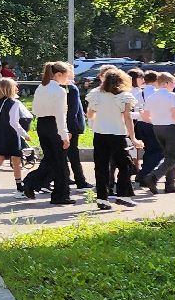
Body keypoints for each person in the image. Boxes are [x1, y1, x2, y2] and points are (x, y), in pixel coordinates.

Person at [18, 62, 75, 205]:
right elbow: (60, 115)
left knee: (50, 159)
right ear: (58, 74)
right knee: (60, 163)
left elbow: (36, 109)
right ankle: (60, 195)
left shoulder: (41, 88)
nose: (67, 78)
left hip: (42, 125)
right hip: (54, 125)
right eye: (66, 75)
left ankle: (31, 183)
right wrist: (64, 134)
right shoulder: (60, 91)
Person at [85, 68, 141, 210]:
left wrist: (101, 117)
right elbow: (127, 118)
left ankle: (102, 199)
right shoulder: (124, 96)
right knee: (125, 165)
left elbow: (90, 114)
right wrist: (133, 138)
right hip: (117, 134)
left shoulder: (96, 94)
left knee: (101, 167)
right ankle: (122, 195)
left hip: (100, 134)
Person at [0, 78, 30, 194]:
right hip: (12, 134)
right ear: (10, 89)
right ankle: (19, 187)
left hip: (0, 132)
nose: (17, 89)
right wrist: (24, 134)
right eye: (15, 87)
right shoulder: (14, 103)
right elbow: (14, 122)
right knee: (16, 161)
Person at [64, 73, 90, 190]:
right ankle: (80, 181)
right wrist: (71, 128)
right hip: (72, 127)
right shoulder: (72, 88)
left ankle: (66, 177)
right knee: (73, 155)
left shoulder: (64, 87)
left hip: (67, 126)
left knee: (65, 154)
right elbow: (73, 111)